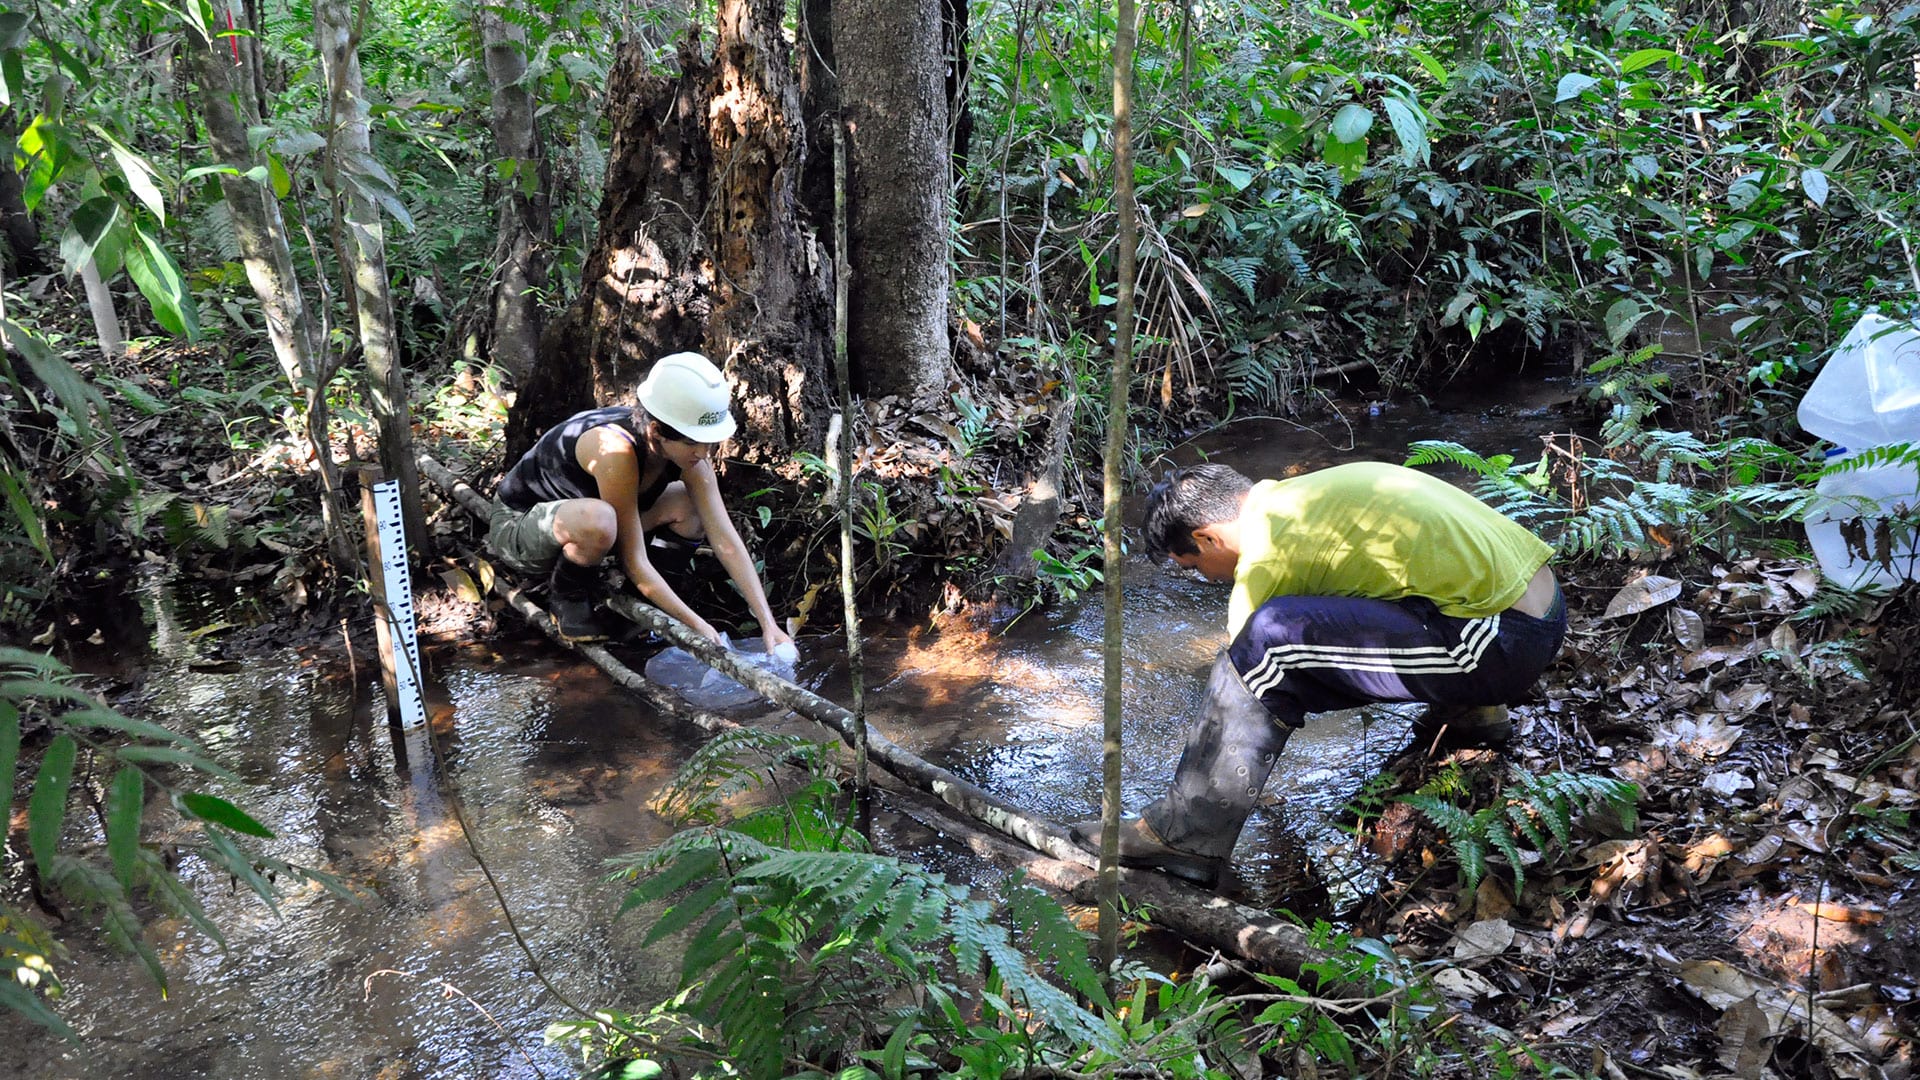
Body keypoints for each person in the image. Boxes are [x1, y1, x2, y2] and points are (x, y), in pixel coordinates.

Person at [1071, 460, 1566, 885]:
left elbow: (1245, 674)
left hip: (1498, 643)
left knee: (1265, 645)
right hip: (1540, 610)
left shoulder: (1266, 554)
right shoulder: (1304, 498)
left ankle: (1183, 834)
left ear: (1208, 536)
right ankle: (1474, 713)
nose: (1207, 578)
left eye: (1195, 565)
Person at [487, 351, 795, 655]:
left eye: (709, 442)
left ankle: (632, 614)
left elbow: (725, 538)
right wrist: (696, 625)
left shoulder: (690, 457)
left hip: (594, 531)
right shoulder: (615, 452)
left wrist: (769, 624)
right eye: (692, 442)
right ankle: (567, 594)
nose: (703, 453)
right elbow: (633, 559)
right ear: (656, 431)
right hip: (520, 528)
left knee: (690, 506)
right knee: (600, 520)